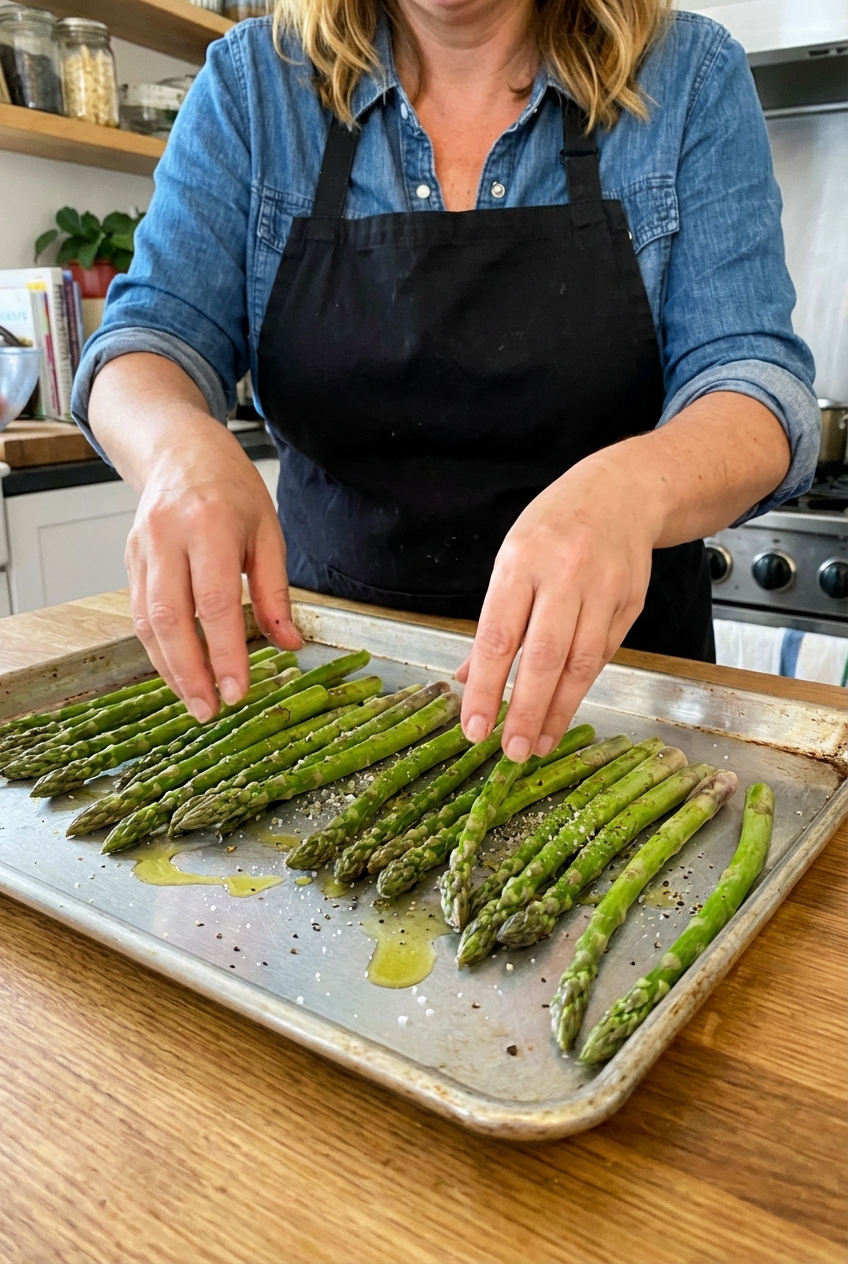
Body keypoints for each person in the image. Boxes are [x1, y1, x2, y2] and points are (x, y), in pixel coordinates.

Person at [71, 0, 819, 764]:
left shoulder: (688, 73)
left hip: (618, 698)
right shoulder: (253, 82)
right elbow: (147, 339)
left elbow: (754, 379)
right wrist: (177, 451)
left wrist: (635, 489)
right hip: (331, 685)